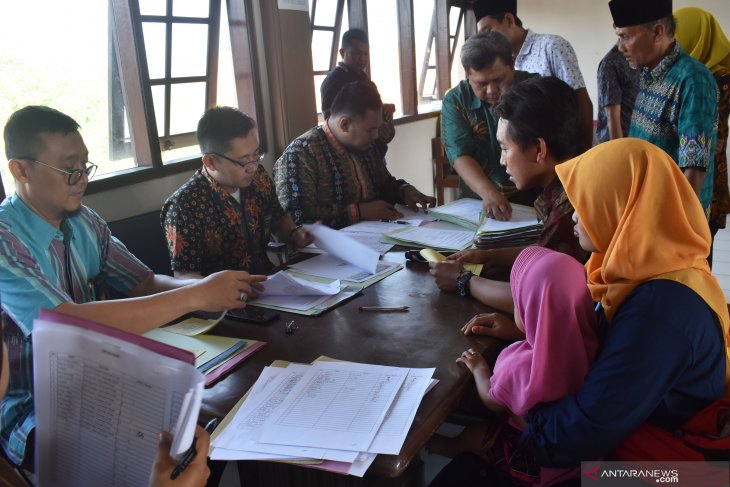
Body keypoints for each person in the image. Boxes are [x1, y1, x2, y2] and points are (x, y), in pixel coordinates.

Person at [432, 138, 730, 484]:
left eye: (585, 204)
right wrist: (526, 331)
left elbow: (575, 437)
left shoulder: (660, 312)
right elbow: (602, 338)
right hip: (635, 428)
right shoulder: (650, 266)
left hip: (671, 472)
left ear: (622, 208)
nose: (575, 216)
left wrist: (524, 406)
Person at [0, 106, 266, 470]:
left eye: (86, 166)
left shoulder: (85, 221)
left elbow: (142, 281)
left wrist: (208, 286)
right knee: (174, 449)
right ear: (20, 170)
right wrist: (193, 296)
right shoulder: (5, 241)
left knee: (213, 425)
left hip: (105, 382)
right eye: (70, 169)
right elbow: (66, 324)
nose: (82, 179)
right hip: (37, 411)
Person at [429, 247, 598, 486]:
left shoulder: (521, 366)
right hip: (574, 460)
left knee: (473, 436)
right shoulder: (592, 343)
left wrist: (479, 369)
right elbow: (553, 334)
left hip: (530, 458)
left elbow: (492, 400)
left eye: (519, 298)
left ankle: (445, 446)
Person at [431, 77, 588, 318]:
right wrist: (488, 256)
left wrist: (465, 281)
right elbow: (547, 252)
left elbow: (537, 302)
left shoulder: (569, 208)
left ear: (539, 149)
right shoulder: (565, 184)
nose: (503, 161)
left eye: (505, 149)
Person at [162, 107, 313, 278]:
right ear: (210, 161)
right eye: (243, 162)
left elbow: (278, 219)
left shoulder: (259, 178)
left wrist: (294, 234)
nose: (253, 167)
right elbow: (185, 277)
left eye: (256, 155)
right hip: (225, 301)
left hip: (269, 282)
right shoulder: (184, 206)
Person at [274, 80, 435, 228]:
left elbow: (384, 182)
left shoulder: (365, 145)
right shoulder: (300, 154)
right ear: (345, 124)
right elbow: (295, 218)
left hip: (377, 240)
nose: (376, 136)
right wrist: (359, 212)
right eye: (370, 130)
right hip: (322, 255)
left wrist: (404, 191)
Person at [609, 0, 718, 216]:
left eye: (625, 37)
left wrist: (668, 228)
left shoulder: (693, 79)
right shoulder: (648, 72)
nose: (620, 47)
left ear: (658, 32)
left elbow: (694, 170)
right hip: (644, 209)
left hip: (670, 220)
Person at [440, 29, 537, 221]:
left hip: (534, 198)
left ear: (512, 64)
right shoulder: (456, 100)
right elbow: (459, 154)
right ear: (468, 75)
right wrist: (488, 193)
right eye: (481, 83)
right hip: (479, 198)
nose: (492, 90)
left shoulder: (534, 88)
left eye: (499, 80)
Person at [473, 0, 594, 151]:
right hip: (526, 156)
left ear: (509, 19)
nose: (486, 40)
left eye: (488, 31)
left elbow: (582, 102)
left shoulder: (551, 46)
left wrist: (584, 154)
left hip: (560, 152)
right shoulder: (499, 63)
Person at [674, 6, 730, 260]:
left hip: (705, 173)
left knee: (699, 245)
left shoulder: (717, 78)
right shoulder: (682, 74)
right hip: (692, 169)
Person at [319, 28, 395, 156]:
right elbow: (331, 121)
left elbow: (375, 117)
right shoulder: (334, 81)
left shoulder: (365, 80)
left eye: (366, 54)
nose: (362, 58)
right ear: (343, 53)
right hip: (348, 154)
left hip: (371, 153)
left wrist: (385, 116)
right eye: (356, 53)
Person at [596, 42, 640, 142]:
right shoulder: (611, 63)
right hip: (617, 143)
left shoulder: (638, 58)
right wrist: (620, 153)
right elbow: (612, 118)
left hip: (635, 139)